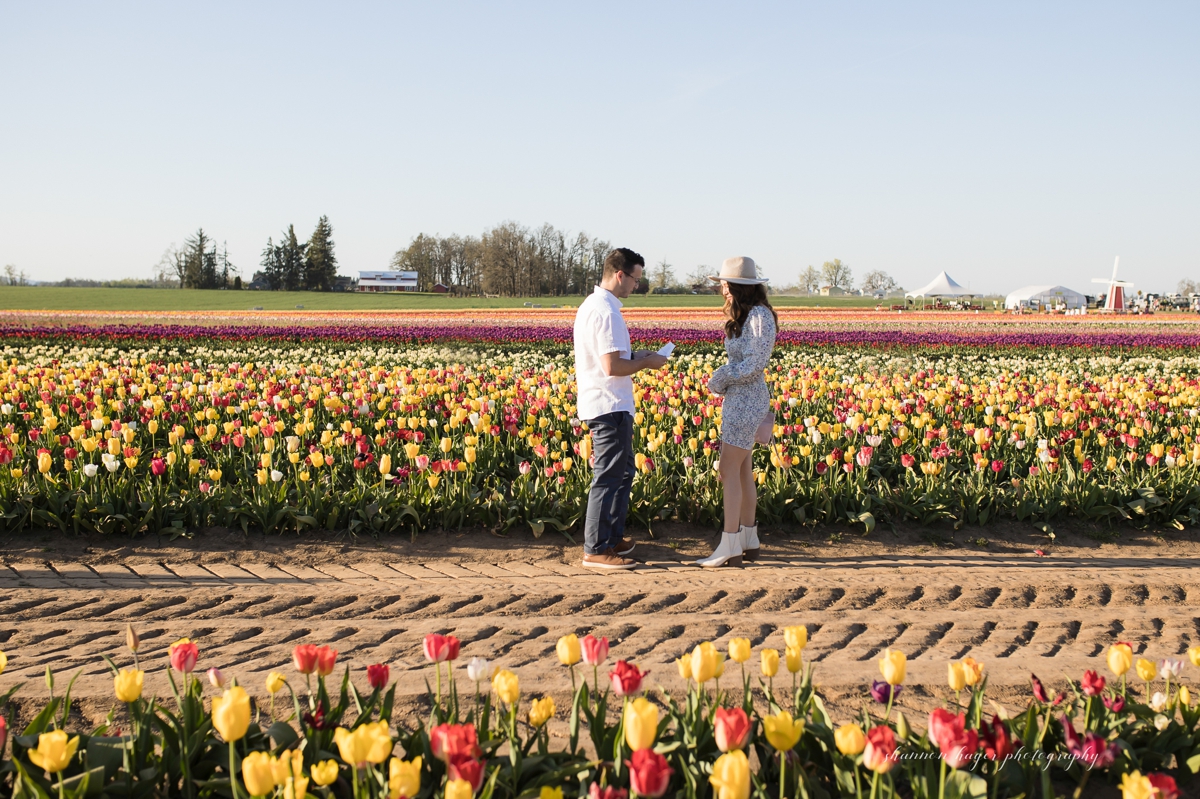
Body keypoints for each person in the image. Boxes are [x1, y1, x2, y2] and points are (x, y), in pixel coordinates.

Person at [574, 248, 669, 569]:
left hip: (607, 403)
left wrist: (637, 353)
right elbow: (612, 366)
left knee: (623, 473)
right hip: (608, 405)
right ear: (620, 275)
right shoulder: (606, 312)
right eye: (635, 279)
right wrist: (648, 362)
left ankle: (612, 538)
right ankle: (596, 549)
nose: (637, 286)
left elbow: (612, 356)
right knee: (608, 477)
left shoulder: (594, 305)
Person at [697, 256, 778, 568]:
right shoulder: (745, 314)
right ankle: (748, 538)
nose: (722, 289)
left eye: (725, 284)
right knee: (743, 471)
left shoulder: (759, 316)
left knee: (727, 471)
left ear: (739, 286)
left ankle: (729, 543)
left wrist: (722, 376)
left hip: (747, 399)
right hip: (740, 399)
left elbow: (756, 363)